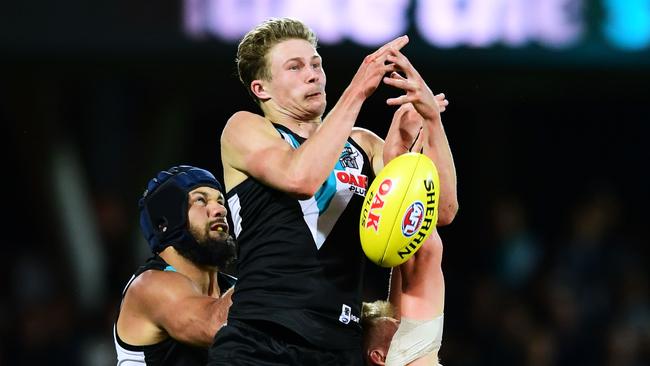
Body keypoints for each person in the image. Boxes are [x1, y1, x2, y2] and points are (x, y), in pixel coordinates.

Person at [208, 17, 458, 365]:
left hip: (338, 347)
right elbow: (301, 177)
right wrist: (358, 90)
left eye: (315, 64)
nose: (312, 74)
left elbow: (438, 212)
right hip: (261, 340)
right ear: (261, 89)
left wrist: (432, 122)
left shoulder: (363, 143)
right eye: (294, 67)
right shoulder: (246, 128)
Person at [114, 165, 237, 365]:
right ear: (166, 221)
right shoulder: (149, 285)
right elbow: (217, 326)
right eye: (200, 200)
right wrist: (266, 253)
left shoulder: (236, 286)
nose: (221, 209)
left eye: (220, 201)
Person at [362, 229, 446, 366]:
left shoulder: (403, 353)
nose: (399, 321)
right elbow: (426, 252)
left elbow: (406, 260)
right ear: (379, 357)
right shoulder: (407, 353)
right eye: (395, 323)